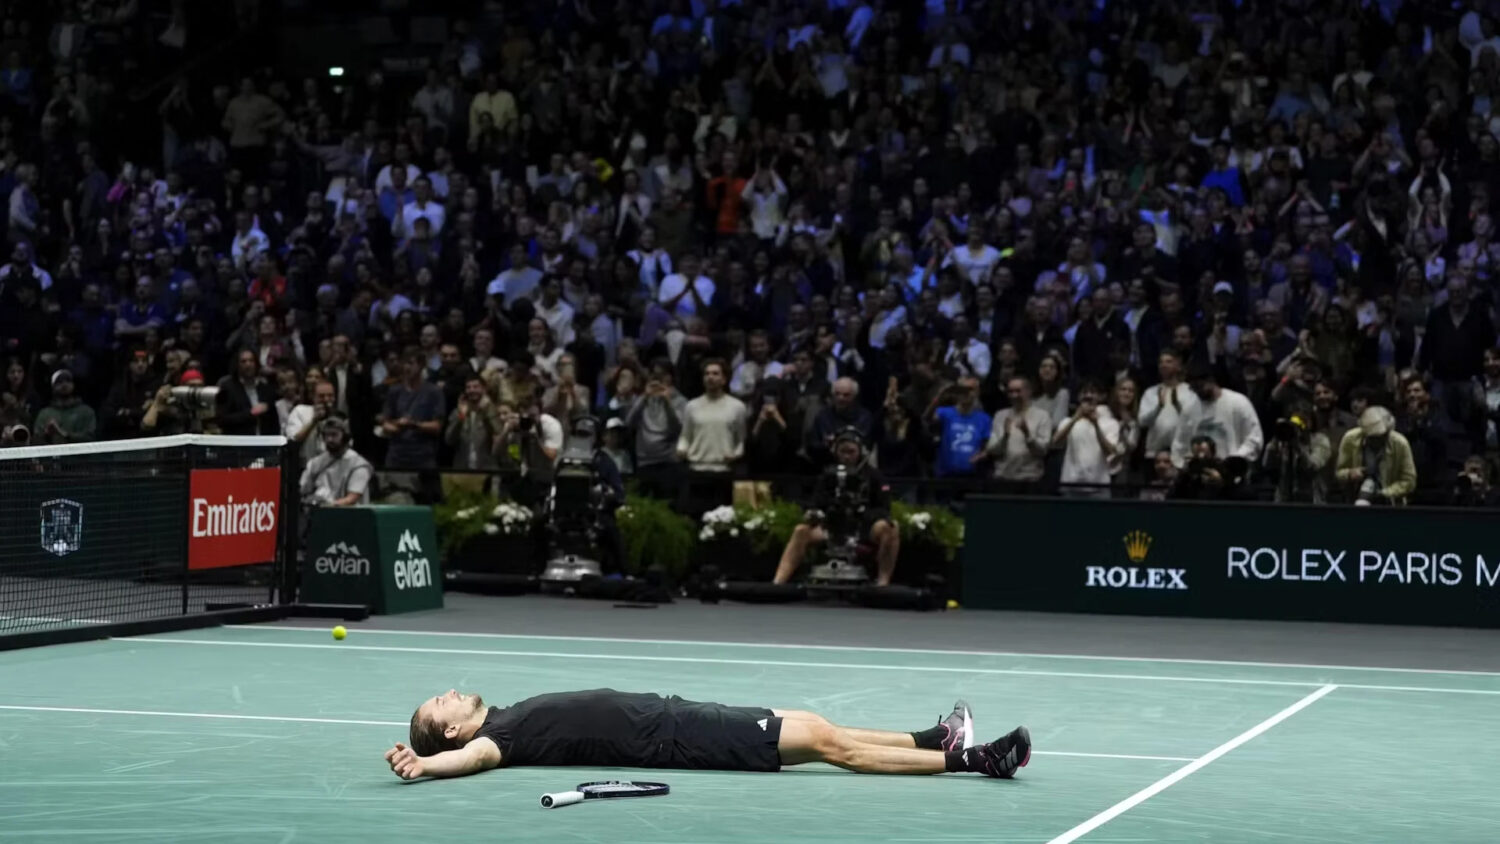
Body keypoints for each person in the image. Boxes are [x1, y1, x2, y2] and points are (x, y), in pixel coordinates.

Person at [387, 689, 1030, 781]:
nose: (449, 691)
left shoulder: (504, 716)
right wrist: (426, 766)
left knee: (814, 724)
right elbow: (470, 762)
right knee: (831, 748)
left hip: (678, 718)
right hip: (681, 741)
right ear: (448, 726)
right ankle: (974, 760)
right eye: (439, 701)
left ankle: (929, 738)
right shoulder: (494, 742)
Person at [772, 429, 899, 587]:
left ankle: (882, 583)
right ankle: (778, 582)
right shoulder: (827, 475)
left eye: (851, 452)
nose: (846, 456)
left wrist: (860, 513)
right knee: (801, 530)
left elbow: (884, 508)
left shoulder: (874, 476)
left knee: (889, 529)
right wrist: (813, 514)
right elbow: (815, 502)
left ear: (860, 452)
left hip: (863, 526)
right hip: (830, 526)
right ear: (836, 452)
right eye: (842, 452)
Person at [1334, 406, 1416, 507]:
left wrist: (1383, 494)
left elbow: (1409, 481)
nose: (1377, 441)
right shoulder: (1350, 439)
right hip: (1354, 500)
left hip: (1391, 504)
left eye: (1381, 437)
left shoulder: (1400, 443)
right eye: (1372, 438)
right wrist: (1350, 474)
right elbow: (1339, 472)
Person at [300, 415, 375, 507]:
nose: (329, 439)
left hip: (348, 515)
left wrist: (326, 505)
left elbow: (351, 498)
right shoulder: (315, 463)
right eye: (326, 435)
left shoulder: (359, 464)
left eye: (334, 435)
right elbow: (303, 491)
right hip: (317, 514)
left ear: (345, 437)